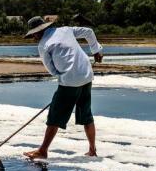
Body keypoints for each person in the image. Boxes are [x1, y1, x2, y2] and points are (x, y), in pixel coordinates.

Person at [22, 16, 103, 159]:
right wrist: (96, 50)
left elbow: (51, 69)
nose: (34, 36)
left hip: (69, 81)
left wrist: (64, 78)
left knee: (55, 116)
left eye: (34, 33)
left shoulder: (43, 45)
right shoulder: (66, 30)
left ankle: (43, 151)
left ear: (38, 32)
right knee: (86, 114)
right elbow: (89, 32)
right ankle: (92, 150)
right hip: (86, 75)